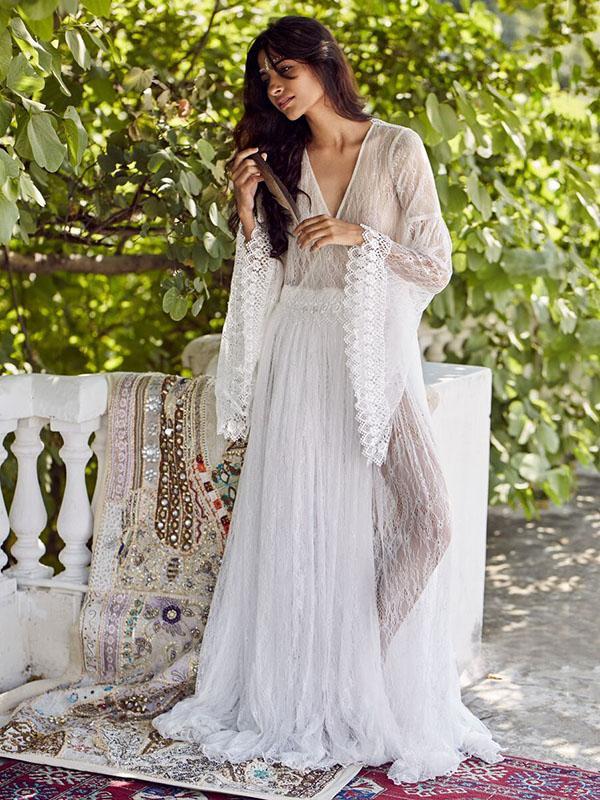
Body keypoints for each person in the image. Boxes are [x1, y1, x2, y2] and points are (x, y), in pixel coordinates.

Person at [152, 14, 504, 784]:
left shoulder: (398, 148)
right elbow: (269, 275)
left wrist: (360, 238)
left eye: (286, 72)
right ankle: (312, 687)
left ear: (323, 64)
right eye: (266, 79)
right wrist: (247, 211)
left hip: (372, 357)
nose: (276, 89)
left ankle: (356, 669)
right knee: (302, 530)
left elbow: (435, 265)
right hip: (299, 357)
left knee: (429, 520)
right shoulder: (280, 160)